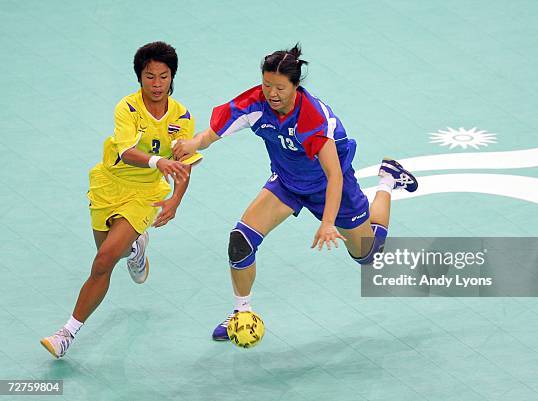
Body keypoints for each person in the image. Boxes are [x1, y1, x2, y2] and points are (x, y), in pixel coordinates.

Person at [173, 43, 417, 341]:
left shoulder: (311, 118)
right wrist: (192, 144)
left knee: (368, 255)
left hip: (328, 186)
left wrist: (327, 223)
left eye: (279, 88)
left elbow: (334, 175)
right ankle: (241, 313)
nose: (272, 94)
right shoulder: (255, 103)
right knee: (240, 242)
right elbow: (213, 134)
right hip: (287, 183)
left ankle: (387, 181)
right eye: (266, 85)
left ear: (296, 86)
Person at [41, 42, 200, 358]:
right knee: (108, 252)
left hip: (144, 195)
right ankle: (135, 248)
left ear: (172, 77)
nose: (157, 84)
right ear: (140, 77)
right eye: (150, 76)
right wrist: (158, 162)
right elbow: (127, 152)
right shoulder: (126, 109)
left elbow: (185, 164)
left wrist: (175, 200)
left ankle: (66, 334)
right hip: (108, 186)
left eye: (164, 77)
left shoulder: (182, 117)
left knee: (102, 263)